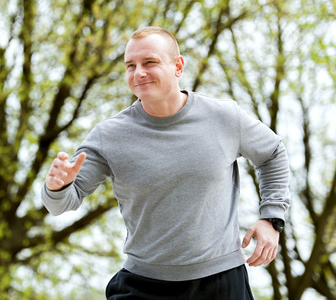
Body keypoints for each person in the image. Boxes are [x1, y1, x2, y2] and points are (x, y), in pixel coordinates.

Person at [42, 26, 290, 299]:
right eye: (130, 66)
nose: (139, 73)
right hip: (143, 286)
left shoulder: (224, 117)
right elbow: (62, 203)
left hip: (221, 283)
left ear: (178, 66)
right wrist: (57, 187)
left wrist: (272, 217)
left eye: (150, 62)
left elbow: (273, 154)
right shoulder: (108, 136)